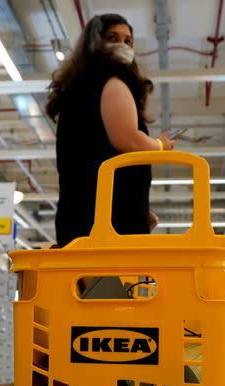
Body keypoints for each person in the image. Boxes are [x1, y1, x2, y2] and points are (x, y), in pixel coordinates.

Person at [46, 13, 176, 247]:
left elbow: (94, 156)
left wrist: (140, 209)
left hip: (84, 219)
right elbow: (128, 140)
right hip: (106, 226)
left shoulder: (78, 92)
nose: (122, 46)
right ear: (95, 43)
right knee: (111, 284)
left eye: (128, 41)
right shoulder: (112, 84)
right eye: (112, 38)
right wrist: (159, 146)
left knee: (100, 285)